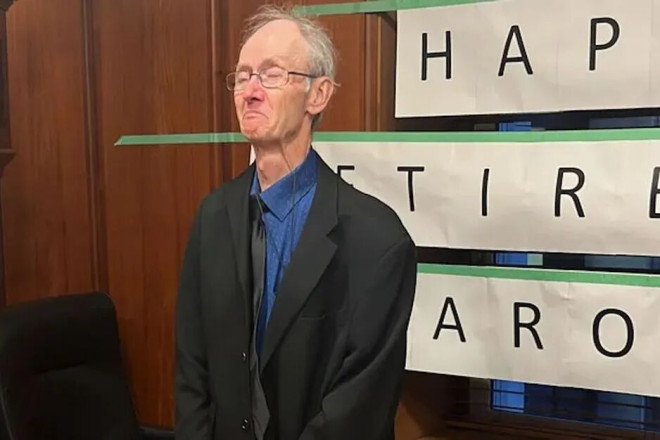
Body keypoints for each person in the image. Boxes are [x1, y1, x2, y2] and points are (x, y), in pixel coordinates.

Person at [174, 5, 417, 440]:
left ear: (318, 94)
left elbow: (359, 408)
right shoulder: (212, 217)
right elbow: (192, 371)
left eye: (270, 75)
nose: (250, 91)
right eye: (242, 76)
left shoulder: (379, 241)